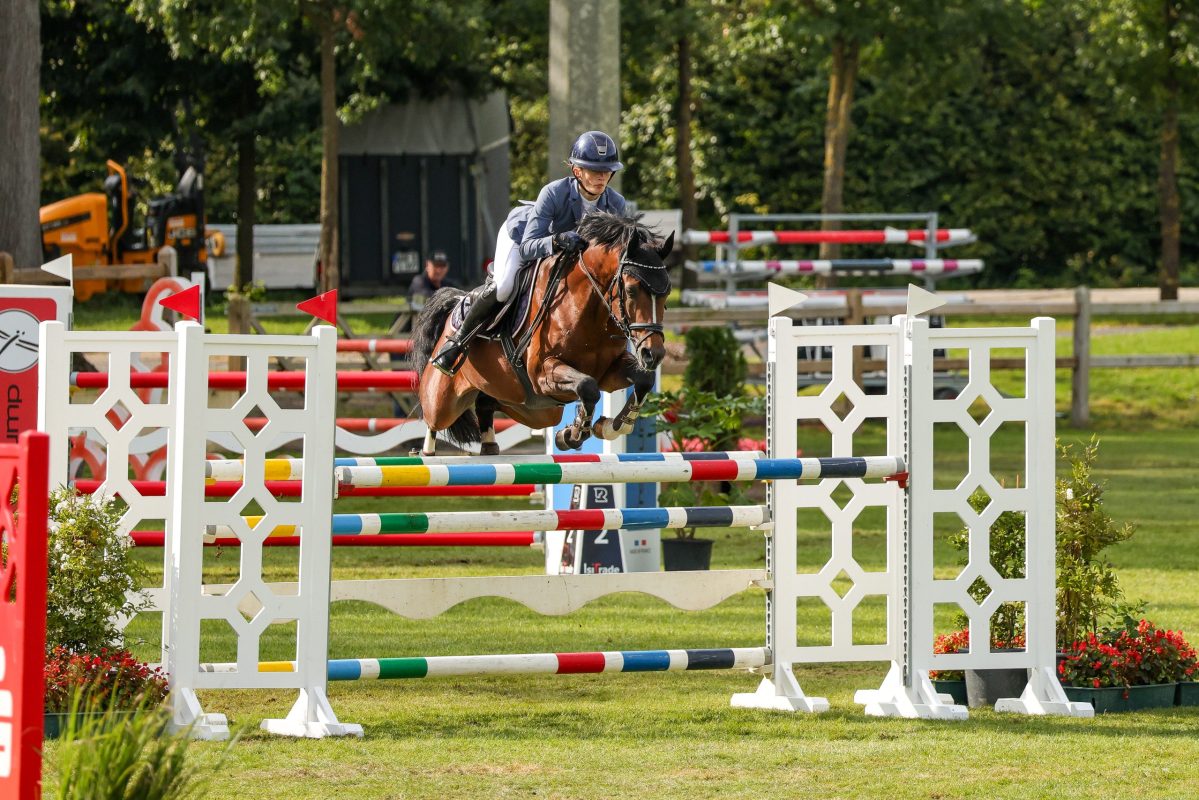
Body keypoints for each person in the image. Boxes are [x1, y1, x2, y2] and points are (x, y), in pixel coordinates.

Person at [430, 130, 628, 376]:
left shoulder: (616, 204)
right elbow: (528, 247)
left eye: (607, 171)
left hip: (568, 257)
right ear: (577, 171)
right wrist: (556, 240)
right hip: (521, 237)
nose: (602, 177)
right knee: (504, 286)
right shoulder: (553, 193)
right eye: (595, 171)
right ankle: (457, 341)